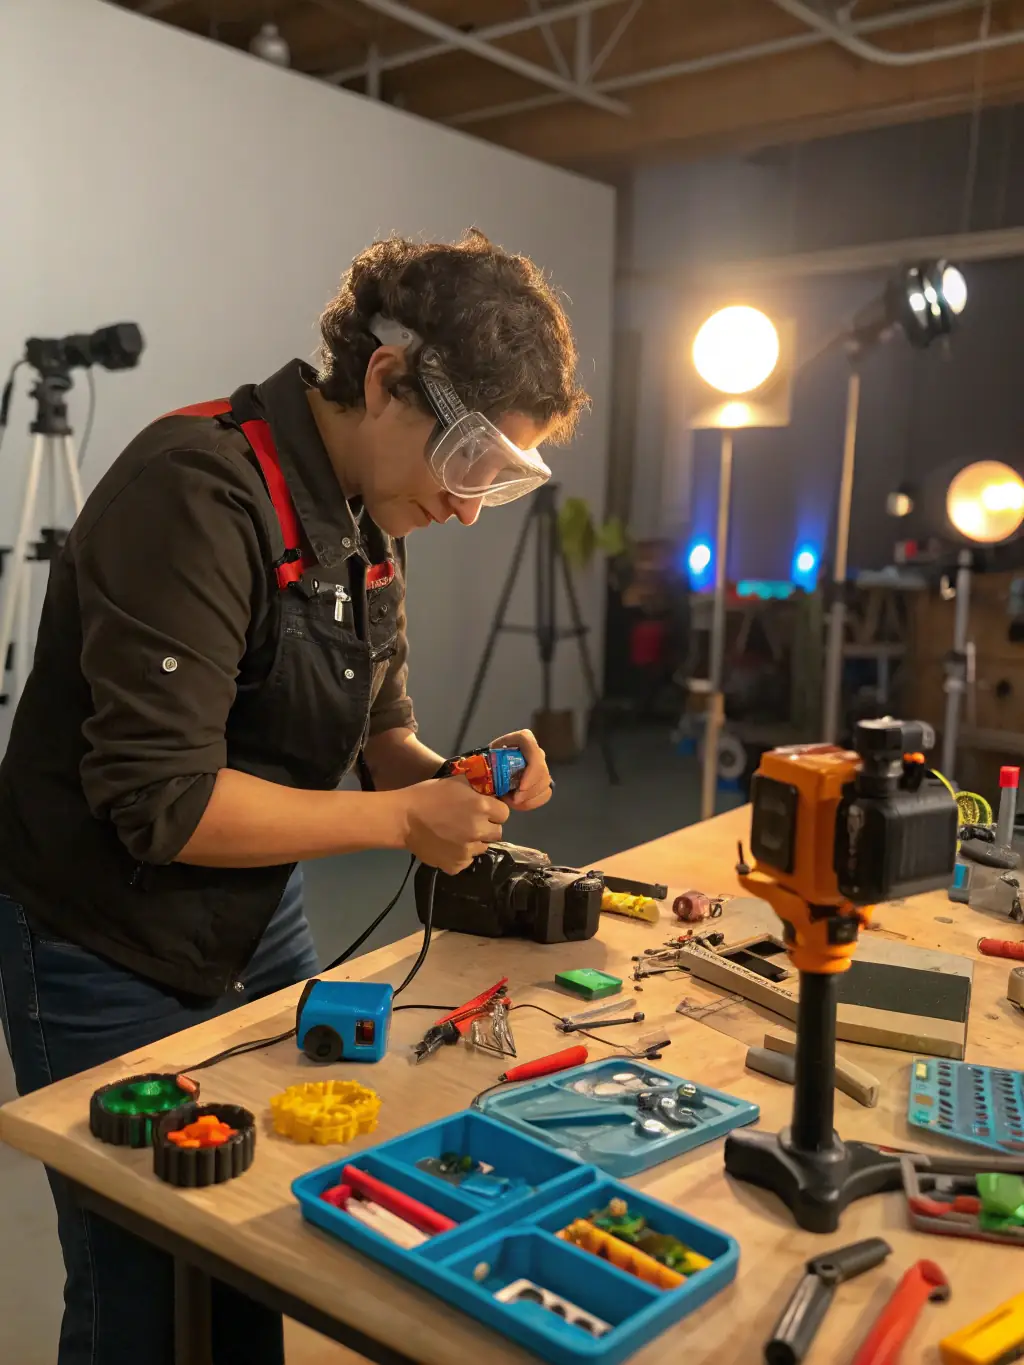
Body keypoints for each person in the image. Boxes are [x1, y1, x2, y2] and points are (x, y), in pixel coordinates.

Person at [0, 229, 588, 1365]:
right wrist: (397, 821)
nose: (471, 508)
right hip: (100, 938)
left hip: (256, 919)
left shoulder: (373, 517)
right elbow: (162, 806)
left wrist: (452, 779)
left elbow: (382, 740)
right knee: (143, 1288)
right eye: (470, 461)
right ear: (384, 378)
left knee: (255, 1245)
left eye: (498, 482)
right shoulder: (196, 490)